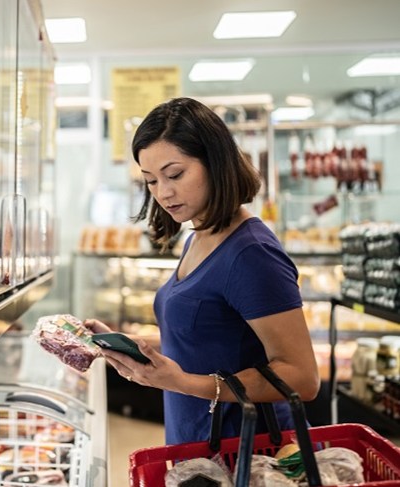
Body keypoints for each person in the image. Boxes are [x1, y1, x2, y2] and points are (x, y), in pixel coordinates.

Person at [85, 97, 319, 445]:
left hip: (245, 452)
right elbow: (209, 339)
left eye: (175, 174)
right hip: (198, 442)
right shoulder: (198, 235)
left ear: (215, 162)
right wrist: (136, 348)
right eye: (150, 181)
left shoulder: (251, 252)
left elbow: (302, 378)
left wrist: (182, 382)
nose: (163, 192)